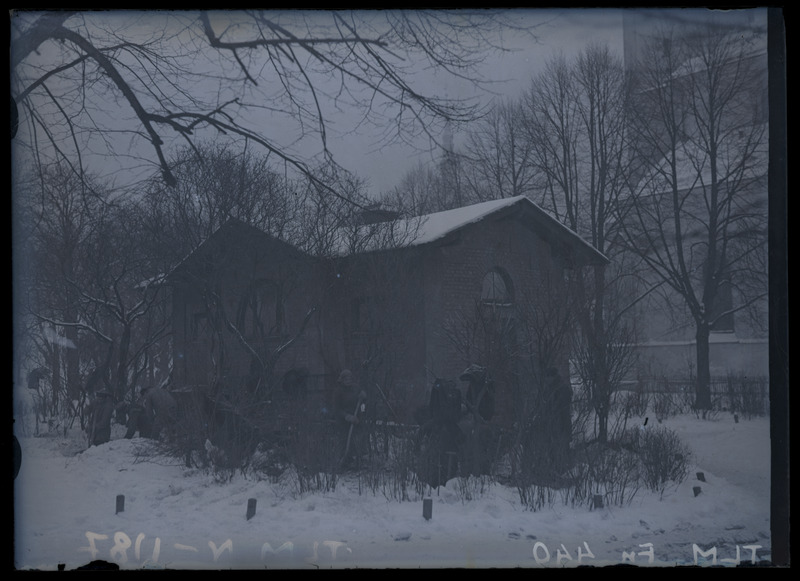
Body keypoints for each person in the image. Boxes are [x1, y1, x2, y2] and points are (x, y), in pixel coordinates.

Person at [333, 369, 366, 468]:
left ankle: (357, 462)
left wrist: (364, 396)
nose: (348, 380)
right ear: (342, 380)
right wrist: (347, 416)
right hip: (343, 422)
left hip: (356, 420)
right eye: (346, 379)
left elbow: (363, 401)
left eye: (350, 378)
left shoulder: (356, 388)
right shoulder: (338, 392)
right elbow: (336, 409)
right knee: (344, 442)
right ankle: (342, 462)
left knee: (357, 441)